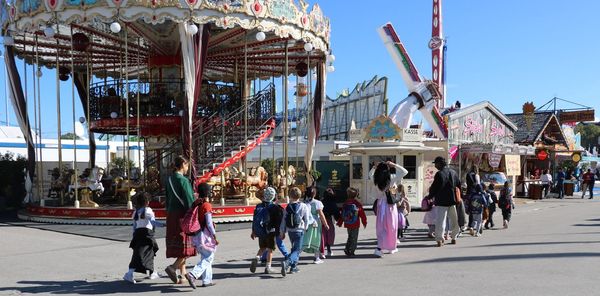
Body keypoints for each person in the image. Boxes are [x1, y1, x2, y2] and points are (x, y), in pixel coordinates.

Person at [165, 156, 196, 284]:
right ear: (183, 164)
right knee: (186, 245)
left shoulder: (169, 179)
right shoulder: (183, 180)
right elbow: (190, 201)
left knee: (179, 245)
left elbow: (167, 198)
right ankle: (173, 267)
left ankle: (183, 274)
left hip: (171, 215)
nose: (187, 168)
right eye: (187, 165)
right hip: (182, 216)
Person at [123, 192, 162, 284]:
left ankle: (152, 272)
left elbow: (134, 225)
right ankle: (129, 273)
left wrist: (134, 235)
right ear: (147, 202)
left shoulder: (136, 211)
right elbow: (153, 222)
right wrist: (164, 224)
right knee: (146, 254)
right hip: (147, 234)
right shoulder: (148, 210)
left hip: (138, 234)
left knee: (141, 253)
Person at [371, 161, 408, 257]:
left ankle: (380, 247)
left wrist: (374, 167)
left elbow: (370, 174)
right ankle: (391, 247)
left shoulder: (375, 179)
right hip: (390, 206)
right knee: (391, 226)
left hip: (380, 205)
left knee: (381, 227)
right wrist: (394, 165)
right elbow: (405, 172)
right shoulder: (392, 178)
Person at [185, 183, 218, 289]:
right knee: (209, 257)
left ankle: (207, 280)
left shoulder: (197, 204)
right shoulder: (206, 205)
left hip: (196, 235)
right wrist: (214, 235)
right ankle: (193, 274)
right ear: (208, 192)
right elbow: (209, 223)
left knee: (205, 256)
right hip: (205, 236)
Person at [428, 156, 461, 247]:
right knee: (454, 220)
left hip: (441, 201)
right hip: (453, 200)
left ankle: (439, 239)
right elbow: (458, 185)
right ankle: (454, 237)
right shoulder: (453, 172)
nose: (435, 166)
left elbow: (435, 187)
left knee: (440, 221)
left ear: (439, 164)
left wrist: (430, 196)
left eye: (436, 164)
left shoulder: (439, 174)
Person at [250, 187, 282, 274]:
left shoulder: (258, 206)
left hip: (260, 232)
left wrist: (253, 231)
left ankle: (257, 258)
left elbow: (254, 219)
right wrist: (279, 232)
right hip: (270, 231)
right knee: (270, 249)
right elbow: (277, 221)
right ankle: (268, 267)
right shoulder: (274, 207)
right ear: (273, 196)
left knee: (262, 248)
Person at [280, 187, 311, 275]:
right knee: (297, 250)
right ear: (299, 195)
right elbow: (306, 219)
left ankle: (294, 267)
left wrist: (282, 231)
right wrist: (306, 228)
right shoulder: (303, 206)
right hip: (299, 230)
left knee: (294, 248)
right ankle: (287, 262)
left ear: (290, 195)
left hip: (290, 231)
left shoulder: (287, 207)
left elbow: (284, 220)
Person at [302, 185, 330, 264]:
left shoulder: (304, 203)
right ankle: (317, 257)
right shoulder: (317, 203)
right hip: (315, 223)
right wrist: (326, 224)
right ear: (314, 194)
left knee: (306, 239)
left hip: (306, 223)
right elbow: (321, 214)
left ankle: (296, 254)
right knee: (316, 239)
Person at [336, 187, 367, 257]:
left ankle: (347, 248)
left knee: (350, 236)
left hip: (348, 223)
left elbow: (342, 214)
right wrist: (364, 222)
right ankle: (351, 251)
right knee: (354, 238)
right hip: (355, 224)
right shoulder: (357, 204)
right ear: (355, 195)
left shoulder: (345, 203)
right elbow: (362, 214)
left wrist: (340, 222)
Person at [322, 188, 340, 256]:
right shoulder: (333, 203)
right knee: (330, 234)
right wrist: (338, 219)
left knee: (322, 235)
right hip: (329, 220)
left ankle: (322, 250)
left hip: (321, 220)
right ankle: (329, 249)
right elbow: (336, 213)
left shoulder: (321, 202)